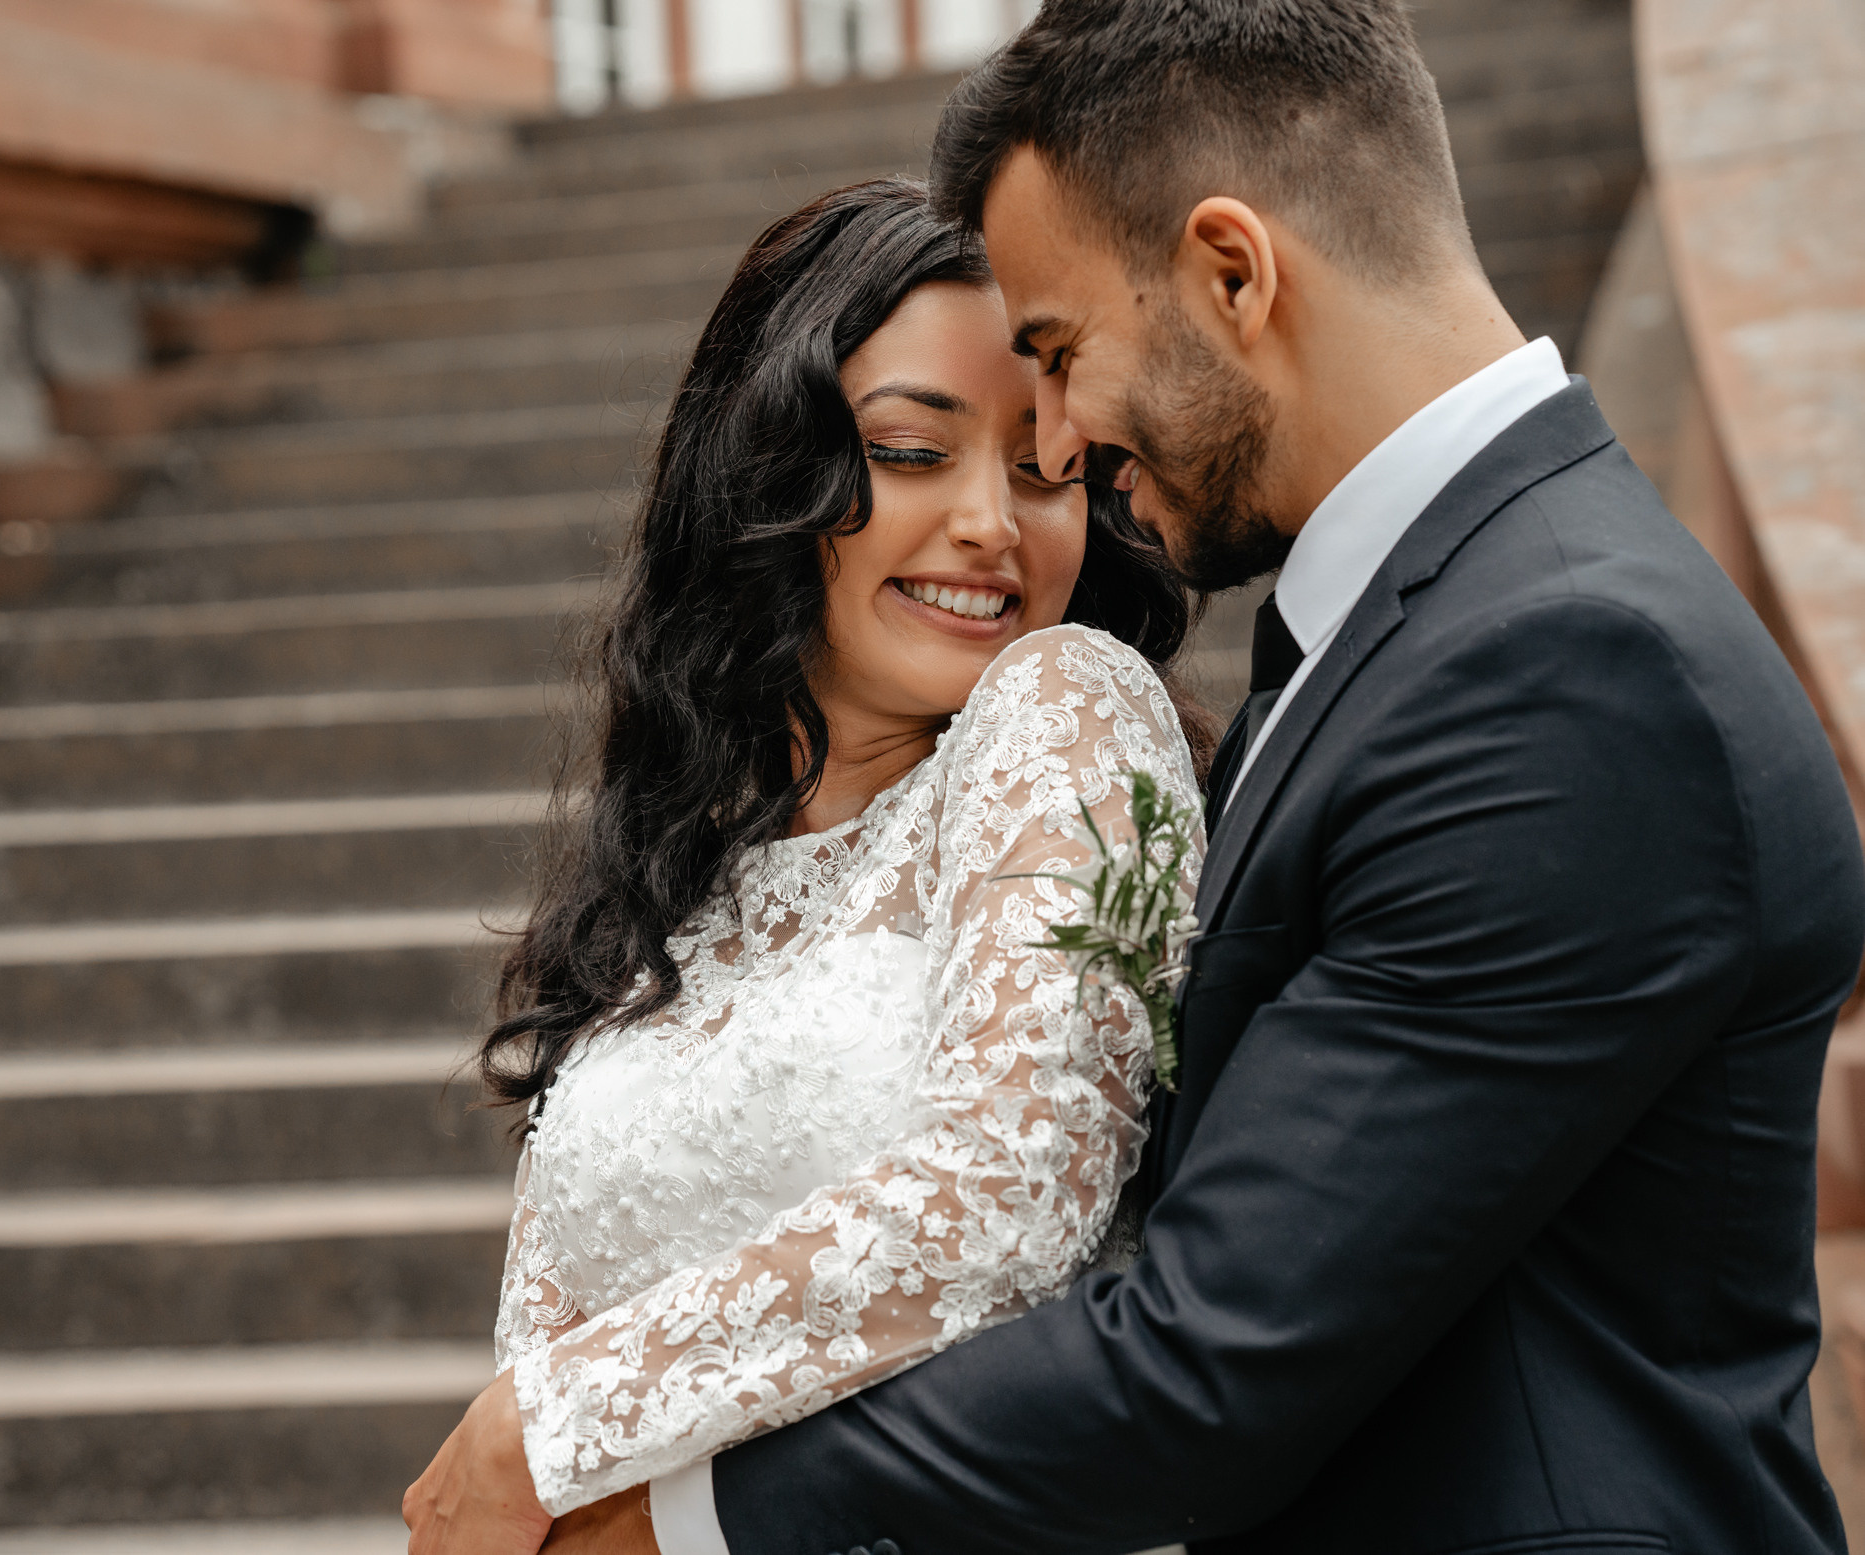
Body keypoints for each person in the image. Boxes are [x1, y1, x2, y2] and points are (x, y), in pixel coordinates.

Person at [409, 1, 1865, 1552]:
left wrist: (648, 1506)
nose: (1061, 449)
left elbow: (1212, 1344)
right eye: (930, 443)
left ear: (1233, 272)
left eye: (1054, 359)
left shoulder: (1571, 667)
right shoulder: (1421, 629)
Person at [403, 178, 1215, 1552]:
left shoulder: (1067, 709)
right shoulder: (678, 874)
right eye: (911, 452)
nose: (991, 526)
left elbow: (1013, 1188)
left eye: (1044, 467)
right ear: (770, 477)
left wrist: (543, 1423)